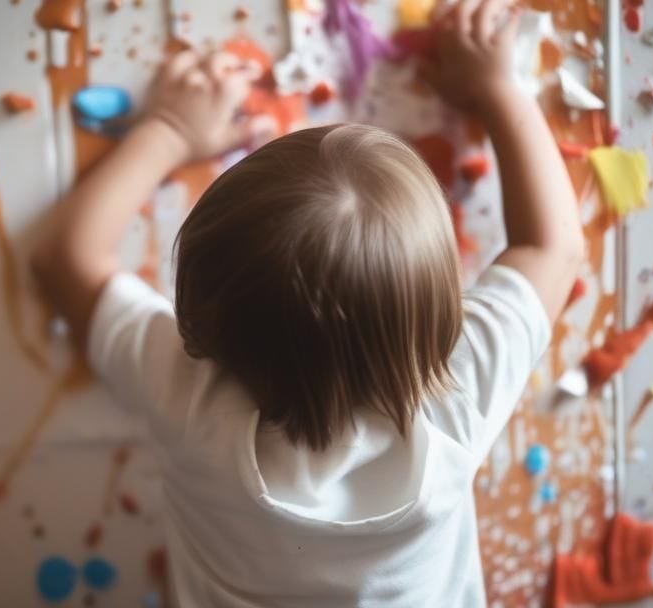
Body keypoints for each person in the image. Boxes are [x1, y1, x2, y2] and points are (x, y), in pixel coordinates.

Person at [32, 0, 584, 604]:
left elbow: (65, 257)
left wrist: (169, 129)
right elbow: (552, 246)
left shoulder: (189, 399)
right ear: (440, 322)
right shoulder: (452, 398)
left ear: (199, 318)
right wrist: (498, 85)